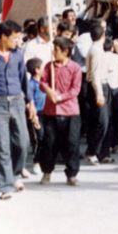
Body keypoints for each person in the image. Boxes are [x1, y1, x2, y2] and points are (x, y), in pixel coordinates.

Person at [0, 20, 37, 200]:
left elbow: (24, 80)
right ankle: (6, 185)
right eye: (15, 37)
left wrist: (30, 103)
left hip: (17, 102)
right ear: (3, 36)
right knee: (1, 146)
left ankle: (14, 175)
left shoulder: (17, 55)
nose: (18, 41)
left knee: (23, 143)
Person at [38, 37, 82, 186]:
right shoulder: (49, 66)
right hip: (51, 112)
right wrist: (48, 90)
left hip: (70, 112)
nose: (53, 52)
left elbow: (75, 89)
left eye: (56, 50)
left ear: (65, 52)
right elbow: (42, 82)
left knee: (72, 143)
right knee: (49, 143)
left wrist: (60, 97)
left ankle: (72, 175)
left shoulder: (75, 67)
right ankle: (47, 172)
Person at [85, 25, 112, 165]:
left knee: (100, 121)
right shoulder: (95, 50)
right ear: (103, 36)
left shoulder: (97, 49)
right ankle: (92, 151)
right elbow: (95, 74)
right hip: (98, 86)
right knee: (101, 122)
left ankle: (99, 152)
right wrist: (99, 93)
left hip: (101, 85)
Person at [104, 37, 118, 155]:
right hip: (116, 89)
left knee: (106, 118)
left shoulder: (100, 57)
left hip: (104, 89)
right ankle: (115, 144)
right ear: (112, 48)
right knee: (117, 117)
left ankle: (106, 144)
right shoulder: (116, 57)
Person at [26, 58, 46, 175]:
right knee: (39, 138)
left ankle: (44, 161)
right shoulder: (31, 84)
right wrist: (34, 117)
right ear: (37, 70)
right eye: (42, 67)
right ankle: (36, 162)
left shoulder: (45, 82)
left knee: (47, 138)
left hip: (46, 113)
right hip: (36, 114)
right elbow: (28, 102)